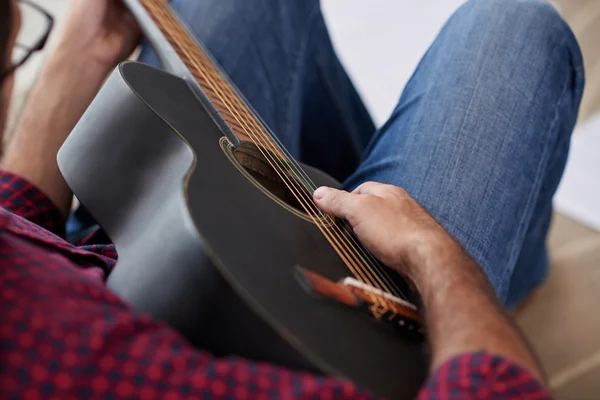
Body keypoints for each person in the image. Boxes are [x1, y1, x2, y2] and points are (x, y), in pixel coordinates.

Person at [0, 0, 584, 398]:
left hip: (145, 255)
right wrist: (435, 254)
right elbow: (496, 389)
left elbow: (14, 212)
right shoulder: (62, 352)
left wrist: (82, 51)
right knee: (518, 29)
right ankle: (505, 277)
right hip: (325, 339)